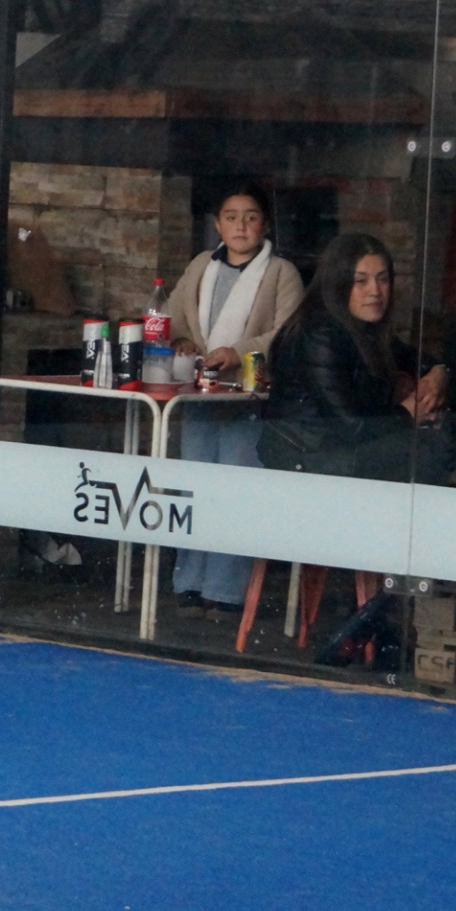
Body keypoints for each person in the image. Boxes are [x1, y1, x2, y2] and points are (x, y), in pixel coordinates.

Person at [163, 185, 303, 619]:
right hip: (200, 397)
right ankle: (189, 583)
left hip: (249, 399)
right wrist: (182, 341)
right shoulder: (201, 265)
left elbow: (287, 334)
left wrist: (238, 352)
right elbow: (172, 316)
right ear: (217, 224)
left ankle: (225, 590)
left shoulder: (281, 273)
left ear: (266, 224)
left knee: (235, 491)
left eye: (251, 216)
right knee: (193, 488)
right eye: (231, 216)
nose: (241, 226)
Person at [259, 233, 449, 482]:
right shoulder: (318, 334)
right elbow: (351, 425)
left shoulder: (365, 329)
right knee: (430, 449)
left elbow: (418, 358)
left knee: (437, 442)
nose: (375, 291)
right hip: (307, 457)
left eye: (383, 279)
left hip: (340, 449)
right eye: (361, 281)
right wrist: (409, 412)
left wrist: (438, 373)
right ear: (338, 284)